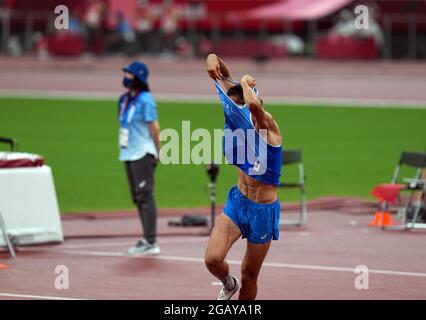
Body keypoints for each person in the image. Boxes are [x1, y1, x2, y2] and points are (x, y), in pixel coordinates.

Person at [204, 53, 283, 300]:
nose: (240, 105)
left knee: (249, 274)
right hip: (239, 201)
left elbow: (253, 107)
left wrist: (247, 85)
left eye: (243, 100)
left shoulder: (269, 128)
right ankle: (228, 284)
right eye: (236, 101)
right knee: (212, 259)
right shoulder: (237, 127)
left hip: (262, 211)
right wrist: (213, 59)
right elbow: (222, 75)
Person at [118, 61, 161, 256]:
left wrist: (158, 151)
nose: (126, 76)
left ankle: (151, 241)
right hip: (128, 152)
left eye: (129, 74)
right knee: (137, 196)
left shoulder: (146, 100)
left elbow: (154, 127)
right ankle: (146, 238)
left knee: (145, 195)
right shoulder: (124, 99)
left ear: (139, 77)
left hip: (143, 153)